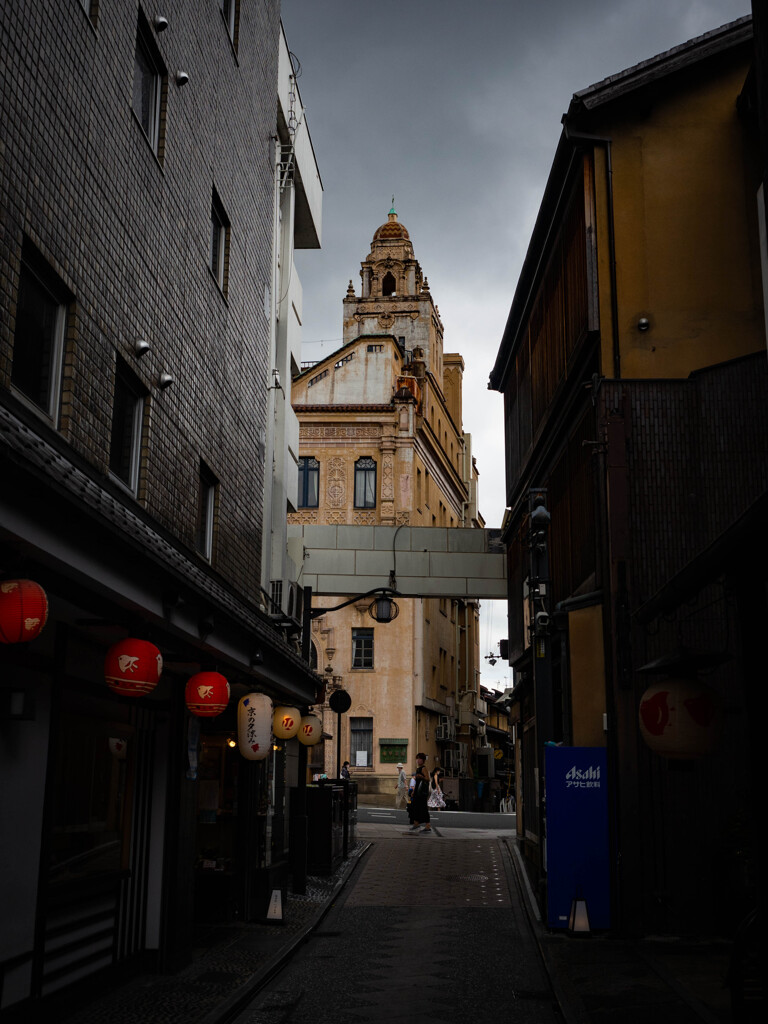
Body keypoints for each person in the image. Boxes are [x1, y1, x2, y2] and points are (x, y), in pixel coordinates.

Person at [406, 753, 432, 833]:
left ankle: (427, 826)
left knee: (423, 808)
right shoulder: (418, 769)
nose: (418, 760)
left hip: (421, 794)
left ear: (423, 760)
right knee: (415, 808)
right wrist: (413, 791)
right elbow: (417, 783)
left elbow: (428, 779)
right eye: (417, 759)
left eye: (420, 759)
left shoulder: (423, 768)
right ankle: (416, 823)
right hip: (417, 792)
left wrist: (421, 777)